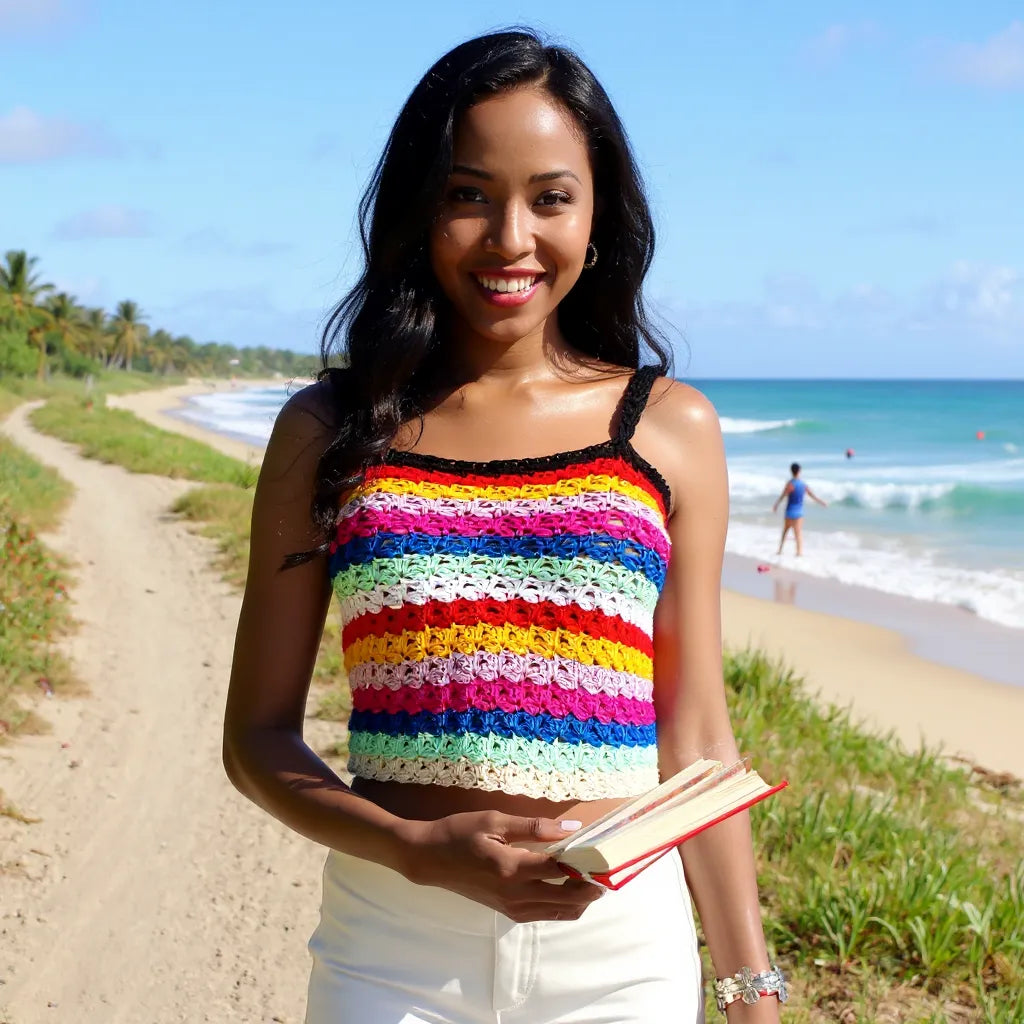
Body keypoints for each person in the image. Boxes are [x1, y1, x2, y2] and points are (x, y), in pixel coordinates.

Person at [224, 29, 784, 1024]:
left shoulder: (669, 429)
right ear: (419, 209)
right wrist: (412, 849)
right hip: (390, 950)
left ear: (597, 213)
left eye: (550, 197)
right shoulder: (331, 430)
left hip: (622, 957)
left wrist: (750, 991)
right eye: (468, 194)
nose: (510, 238)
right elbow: (255, 737)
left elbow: (697, 735)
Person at [773, 462, 827, 555]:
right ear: (799, 471)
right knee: (798, 534)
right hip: (798, 513)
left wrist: (776, 505)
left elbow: (783, 496)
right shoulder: (803, 485)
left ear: (791, 471)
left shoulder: (790, 484)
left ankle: (780, 550)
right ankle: (799, 553)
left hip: (789, 512)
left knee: (785, 532)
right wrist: (821, 502)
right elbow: (812, 496)